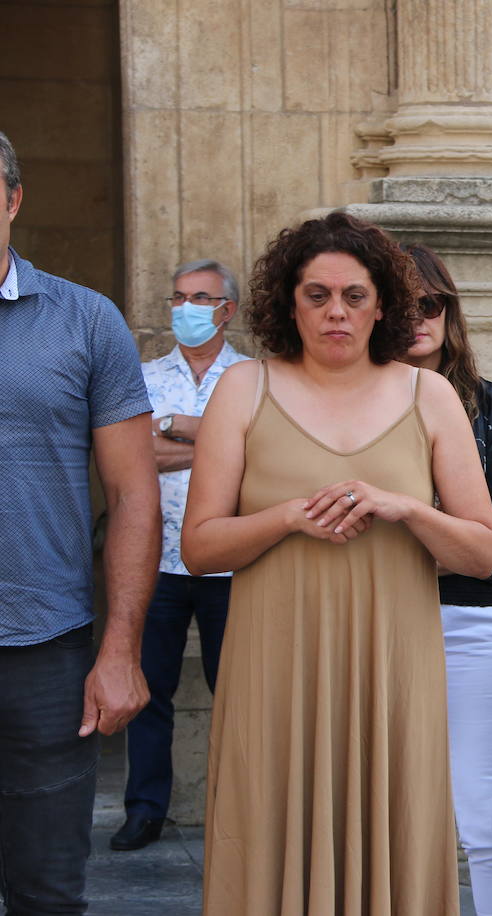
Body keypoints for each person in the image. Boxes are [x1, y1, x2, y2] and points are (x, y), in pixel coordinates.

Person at [182, 212, 492, 914]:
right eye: (316, 294)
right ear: (287, 302)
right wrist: (288, 517)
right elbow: (198, 546)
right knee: (269, 834)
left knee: (392, 834)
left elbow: (482, 551)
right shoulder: (244, 389)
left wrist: (405, 509)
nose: (335, 312)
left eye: (354, 295)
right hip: (274, 666)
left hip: (391, 666)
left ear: (381, 304)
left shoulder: (430, 395)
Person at [0, 130, 160, 912]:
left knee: (47, 892)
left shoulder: (86, 322)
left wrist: (120, 648)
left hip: (44, 647)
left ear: (14, 199)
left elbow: (133, 495)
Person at [400, 243, 492, 916]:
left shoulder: (489, 407)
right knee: (388, 811)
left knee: (485, 813)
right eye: (404, 305)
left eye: (433, 304)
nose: (420, 318)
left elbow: (489, 551)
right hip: (379, 622)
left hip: (470, 620)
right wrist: (448, 531)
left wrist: (408, 534)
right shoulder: (354, 407)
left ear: (451, 314)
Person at [111, 259, 250, 853]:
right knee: (147, 688)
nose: (184, 308)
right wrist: (217, 442)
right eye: (177, 297)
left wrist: (174, 432)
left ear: (228, 310)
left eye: (199, 298)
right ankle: (145, 808)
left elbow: (263, 454)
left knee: (240, 693)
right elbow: (131, 455)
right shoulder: (140, 376)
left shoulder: (253, 378)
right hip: (155, 560)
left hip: (231, 562)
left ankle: (244, 811)